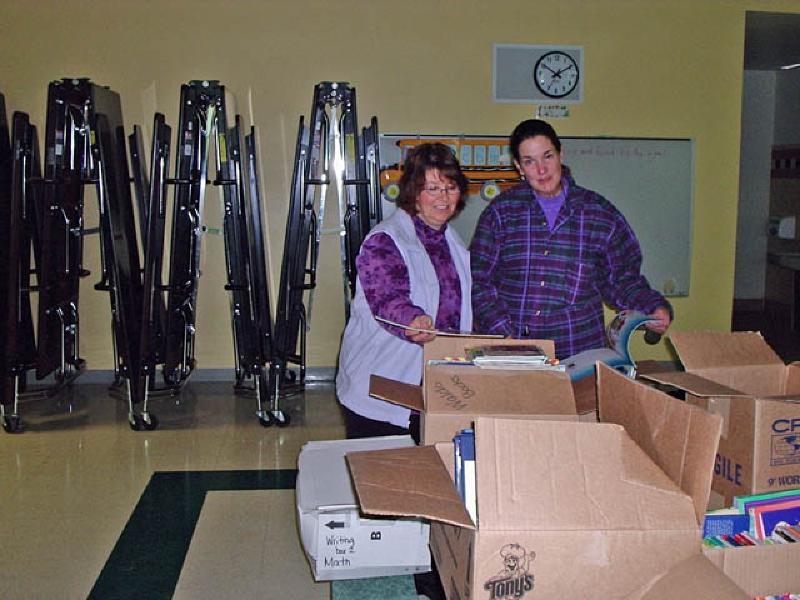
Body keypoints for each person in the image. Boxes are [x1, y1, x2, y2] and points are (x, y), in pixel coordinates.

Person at [470, 119, 672, 358]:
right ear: (519, 167)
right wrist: (505, 334)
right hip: (511, 353)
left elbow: (621, 278)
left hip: (579, 354)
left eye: (547, 156)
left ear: (560, 154)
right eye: (529, 161)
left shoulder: (599, 213)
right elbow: (478, 282)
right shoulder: (500, 213)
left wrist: (652, 306)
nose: (541, 169)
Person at [336, 142, 471, 441]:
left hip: (435, 384)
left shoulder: (451, 240)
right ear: (414, 192)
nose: (443, 198)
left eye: (450, 188)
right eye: (433, 188)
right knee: (382, 476)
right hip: (385, 383)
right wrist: (413, 320)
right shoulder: (385, 239)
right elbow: (386, 296)